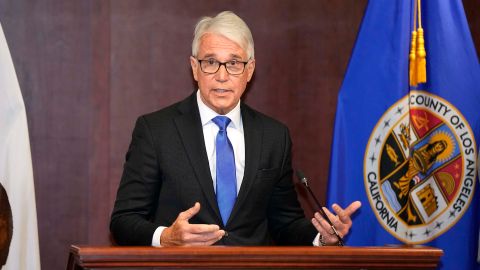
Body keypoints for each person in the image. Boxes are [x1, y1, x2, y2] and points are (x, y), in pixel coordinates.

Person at [110, 10, 361, 247]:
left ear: (249, 70)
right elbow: (123, 220)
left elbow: (285, 223)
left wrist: (322, 237)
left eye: (233, 63)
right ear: (195, 68)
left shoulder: (274, 136)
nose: (222, 76)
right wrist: (166, 237)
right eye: (210, 62)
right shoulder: (156, 131)